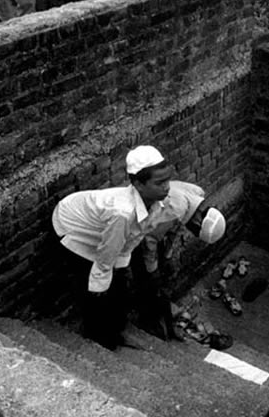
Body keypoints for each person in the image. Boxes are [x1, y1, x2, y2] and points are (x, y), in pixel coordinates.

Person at [51, 145, 173, 350]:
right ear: (137, 184)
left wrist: (120, 272)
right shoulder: (122, 214)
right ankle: (101, 336)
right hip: (71, 226)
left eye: (168, 180)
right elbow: (105, 260)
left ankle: (115, 329)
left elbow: (131, 241)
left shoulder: (155, 202)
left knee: (119, 287)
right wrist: (100, 291)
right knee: (94, 289)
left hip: (103, 230)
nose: (167, 187)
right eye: (160, 183)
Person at [132, 180, 226, 340]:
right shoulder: (177, 208)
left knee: (158, 276)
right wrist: (152, 270)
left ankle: (158, 310)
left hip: (154, 222)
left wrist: (167, 255)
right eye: (195, 231)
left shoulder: (197, 194)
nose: (191, 231)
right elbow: (150, 239)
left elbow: (175, 226)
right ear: (197, 223)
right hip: (136, 224)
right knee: (146, 277)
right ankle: (146, 319)